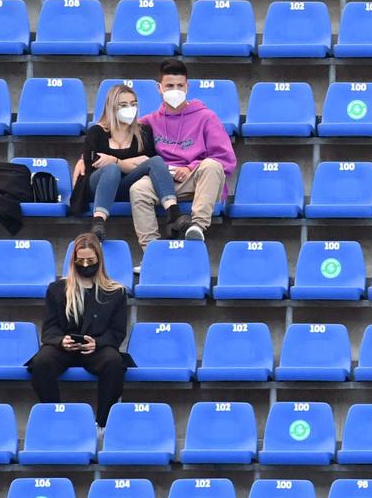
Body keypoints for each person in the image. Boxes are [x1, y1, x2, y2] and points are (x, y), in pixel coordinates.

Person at [27, 233, 131, 428]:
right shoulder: (57, 289)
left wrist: (97, 343)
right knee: (41, 363)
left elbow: (117, 332)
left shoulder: (116, 291)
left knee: (113, 362)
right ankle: (54, 418)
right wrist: (61, 341)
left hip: (97, 348)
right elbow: (49, 328)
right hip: (63, 348)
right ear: (73, 261)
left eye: (90, 261)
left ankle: (102, 424)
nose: (85, 265)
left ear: (99, 260)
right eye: (80, 261)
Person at [131, 59, 235, 244]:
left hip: (196, 179)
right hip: (163, 180)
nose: (175, 90)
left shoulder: (206, 117)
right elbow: (115, 139)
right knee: (138, 189)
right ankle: (151, 251)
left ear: (187, 87)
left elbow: (225, 159)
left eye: (180, 85)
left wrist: (191, 167)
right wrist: (85, 158)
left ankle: (197, 227)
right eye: (169, 85)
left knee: (212, 166)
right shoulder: (149, 121)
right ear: (159, 88)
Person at [72, 82, 177, 242]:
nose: (130, 108)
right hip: (99, 185)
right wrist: (130, 162)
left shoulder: (143, 132)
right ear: (112, 107)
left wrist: (115, 160)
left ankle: (173, 214)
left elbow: (148, 163)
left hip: (127, 185)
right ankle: (98, 223)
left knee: (155, 161)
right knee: (111, 170)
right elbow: (92, 165)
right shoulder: (96, 132)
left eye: (133, 104)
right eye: (123, 105)